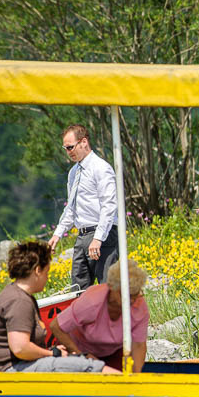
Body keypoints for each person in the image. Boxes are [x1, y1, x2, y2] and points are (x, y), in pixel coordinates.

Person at [0, 240, 117, 373]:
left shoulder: (18, 295)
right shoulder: (19, 301)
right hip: (8, 370)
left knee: (77, 359)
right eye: (46, 272)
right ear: (37, 270)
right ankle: (126, 386)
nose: (47, 278)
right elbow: (20, 348)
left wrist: (51, 351)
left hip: (17, 365)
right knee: (84, 365)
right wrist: (52, 354)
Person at [47, 124, 119, 290]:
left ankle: (114, 317)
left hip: (104, 234)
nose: (68, 152)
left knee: (107, 289)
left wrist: (98, 238)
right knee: (78, 290)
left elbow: (109, 206)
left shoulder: (101, 168)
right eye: (65, 148)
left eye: (71, 147)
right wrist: (57, 234)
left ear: (84, 142)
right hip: (82, 235)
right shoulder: (73, 173)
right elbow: (71, 207)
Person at [50, 260, 151, 372]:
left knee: (119, 383)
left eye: (136, 293)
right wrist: (81, 357)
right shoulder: (92, 301)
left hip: (113, 353)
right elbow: (56, 326)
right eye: (127, 294)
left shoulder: (139, 306)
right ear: (113, 288)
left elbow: (138, 345)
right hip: (78, 349)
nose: (132, 299)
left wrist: (135, 377)